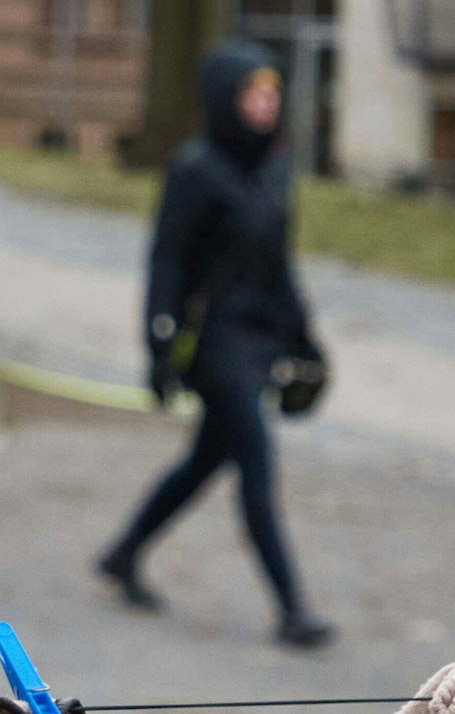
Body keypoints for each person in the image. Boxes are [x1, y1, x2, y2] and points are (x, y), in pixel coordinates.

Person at [97, 40, 334, 649]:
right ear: (226, 102)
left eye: (273, 94)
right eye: (254, 95)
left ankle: (124, 552)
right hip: (215, 345)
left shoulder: (278, 166)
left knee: (207, 460)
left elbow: (280, 264)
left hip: (261, 341)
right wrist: (156, 345)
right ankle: (291, 607)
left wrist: (307, 341)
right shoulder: (195, 168)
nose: (266, 105)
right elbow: (166, 262)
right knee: (254, 459)